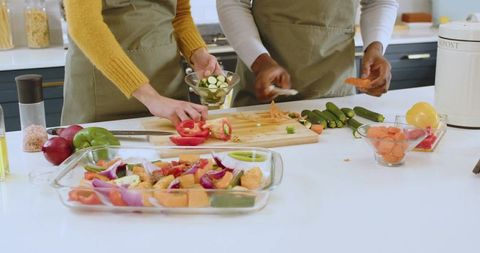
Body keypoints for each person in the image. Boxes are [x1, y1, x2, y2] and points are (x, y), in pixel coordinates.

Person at [61, 0, 222, 125]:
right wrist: (152, 98)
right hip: (104, 101)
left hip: (169, 94)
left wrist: (197, 53)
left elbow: (180, 15)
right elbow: (85, 26)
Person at [217, 0, 399, 106]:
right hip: (263, 89)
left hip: (335, 91)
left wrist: (376, 46)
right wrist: (259, 61)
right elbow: (232, 2)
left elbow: (380, 1)